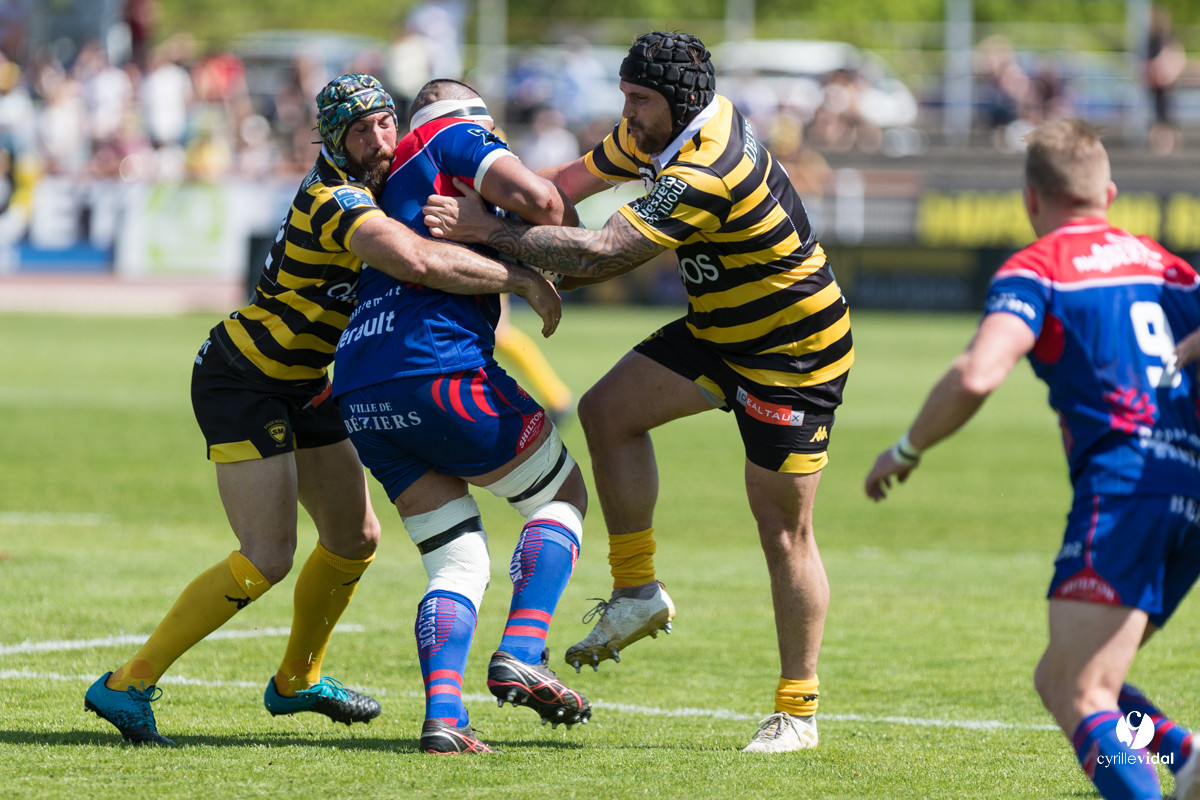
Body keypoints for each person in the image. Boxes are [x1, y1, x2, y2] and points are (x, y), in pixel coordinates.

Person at [83, 73, 562, 747]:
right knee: (268, 556)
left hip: (307, 384)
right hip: (243, 379)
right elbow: (415, 261)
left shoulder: (379, 185)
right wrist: (520, 277)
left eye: (385, 123)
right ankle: (128, 683)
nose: (378, 139)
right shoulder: (337, 198)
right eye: (359, 131)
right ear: (333, 140)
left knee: (355, 539)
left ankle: (297, 682)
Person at [423, 32, 854, 753]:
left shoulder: (707, 166)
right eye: (625, 96)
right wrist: (493, 190)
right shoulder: (652, 130)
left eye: (637, 100)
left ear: (678, 101)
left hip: (792, 352)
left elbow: (602, 255)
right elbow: (563, 189)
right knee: (608, 412)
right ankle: (636, 592)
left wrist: (488, 232)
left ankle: (797, 711)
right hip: (720, 328)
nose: (625, 112)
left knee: (783, 532)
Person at [864, 118, 1200, 800]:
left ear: (1030, 200)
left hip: (1125, 486)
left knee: (1081, 692)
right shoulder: (1170, 266)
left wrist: (907, 448)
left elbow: (978, 374)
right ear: (1108, 192)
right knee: (1064, 677)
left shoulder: (1039, 266)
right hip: (1190, 488)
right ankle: (1184, 754)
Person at [332, 78, 591, 755]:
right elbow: (541, 200)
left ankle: (445, 715)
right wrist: (518, 239)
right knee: (561, 494)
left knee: (458, 558)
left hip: (361, 389)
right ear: (470, 115)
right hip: (437, 368)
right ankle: (524, 650)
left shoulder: (381, 188)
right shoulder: (451, 135)